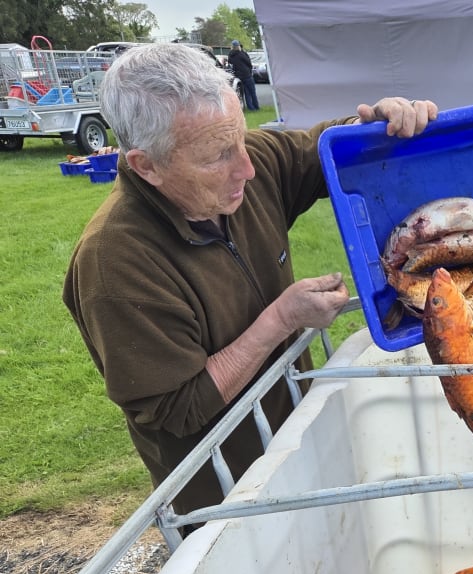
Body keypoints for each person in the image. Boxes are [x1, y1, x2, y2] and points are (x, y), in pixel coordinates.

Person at [63, 43, 437, 519]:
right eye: (217, 156)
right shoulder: (114, 265)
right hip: (226, 496)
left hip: (298, 437)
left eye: (240, 138)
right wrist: (281, 319)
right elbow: (178, 407)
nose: (247, 168)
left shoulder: (246, 163)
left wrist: (378, 123)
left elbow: (319, 154)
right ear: (146, 166)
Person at [226, 39, 259, 110]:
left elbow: (230, 62)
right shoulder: (242, 53)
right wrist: (250, 70)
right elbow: (248, 63)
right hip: (247, 74)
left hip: (239, 75)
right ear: (238, 46)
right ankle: (256, 107)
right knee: (252, 92)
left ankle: (251, 107)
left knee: (246, 92)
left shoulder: (231, 55)